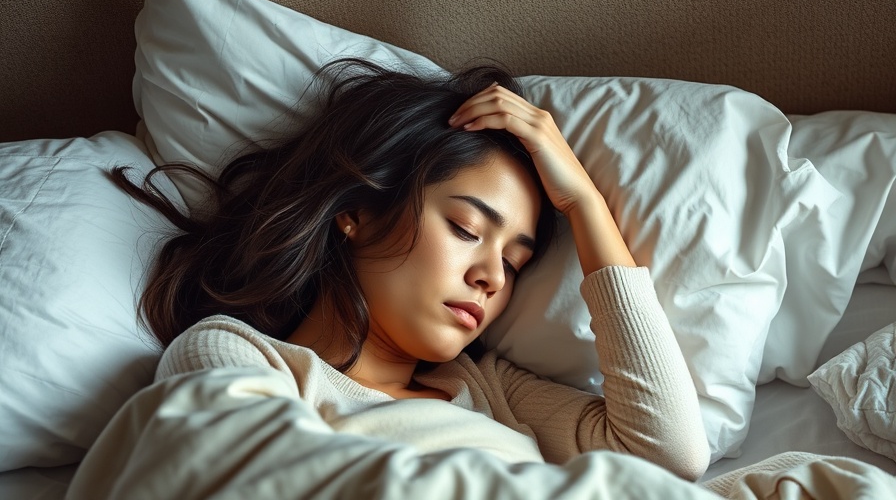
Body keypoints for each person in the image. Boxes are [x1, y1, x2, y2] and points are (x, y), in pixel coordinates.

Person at [111, 58, 710, 481]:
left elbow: (668, 457)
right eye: (467, 230)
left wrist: (585, 205)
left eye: (514, 262)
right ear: (357, 212)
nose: (493, 278)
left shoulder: (489, 390)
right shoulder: (240, 357)